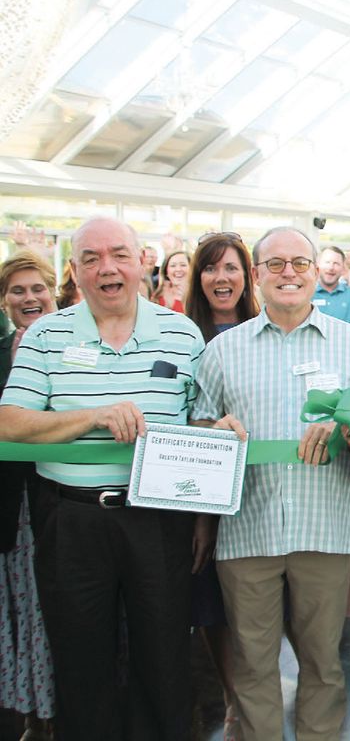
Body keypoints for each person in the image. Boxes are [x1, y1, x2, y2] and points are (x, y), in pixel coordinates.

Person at [0, 217, 205, 740]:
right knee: (80, 659)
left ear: (142, 263)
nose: (106, 268)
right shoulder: (47, 334)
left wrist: (216, 432)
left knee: (163, 658)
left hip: (159, 519)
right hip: (70, 520)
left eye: (118, 254)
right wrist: (92, 416)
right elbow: (10, 422)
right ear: (74, 271)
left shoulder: (182, 333)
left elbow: (200, 420)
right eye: (90, 258)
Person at [192, 226, 350, 741]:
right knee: (253, 668)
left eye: (300, 263)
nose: (289, 274)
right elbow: (197, 427)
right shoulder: (223, 351)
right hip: (247, 532)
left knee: (322, 666)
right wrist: (212, 430)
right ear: (257, 275)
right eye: (275, 264)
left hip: (323, 531)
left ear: (315, 270)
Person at [183, 230, 260, 740]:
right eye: (211, 268)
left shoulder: (264, 331)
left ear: (247, 276)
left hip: (255, 494)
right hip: (198, 495)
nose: (221, 278)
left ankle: (255, 698)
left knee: (255, 609)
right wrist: (202, 519)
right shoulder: (182, 335)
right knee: (210, 602)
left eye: (231, 267)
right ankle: (234, 699)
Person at [0, 252, 57, 741]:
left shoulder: (71, 346)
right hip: (10, 507)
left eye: (37, 288)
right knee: (22, 611)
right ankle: (30, 713)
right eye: (18, 291)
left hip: (57, 501)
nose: (29, 298)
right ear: (4, 300)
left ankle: (57, 712)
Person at [313, 244, 350, 323]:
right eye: (327, 262)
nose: (331, 267)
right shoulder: (306, 295)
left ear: (343, 268)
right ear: (318, 266)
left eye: (336, 263)